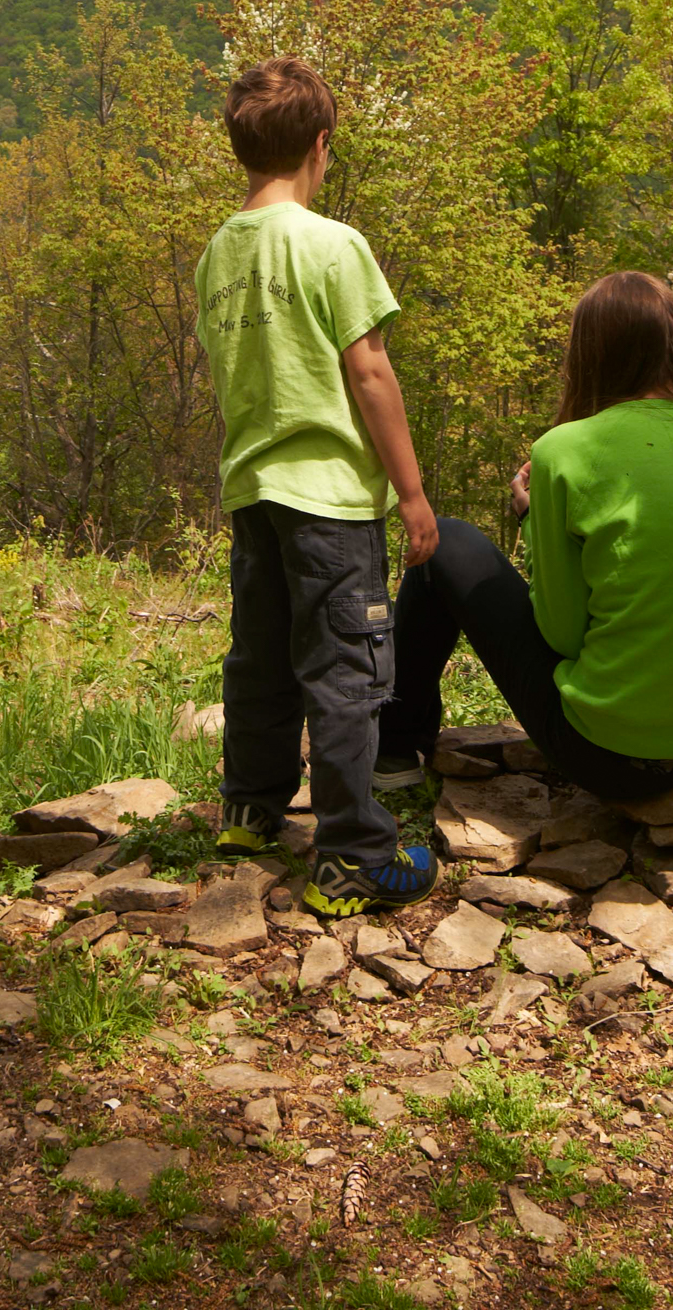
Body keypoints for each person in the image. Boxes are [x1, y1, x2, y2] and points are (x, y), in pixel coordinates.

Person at [376, 272, 673, 804]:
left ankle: (394, 749)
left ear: (588, 353)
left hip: (618, 757)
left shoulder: (565, 450)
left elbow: (563, 633)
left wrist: (533, 517)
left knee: (447, 544)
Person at [198, 54, 444, 916]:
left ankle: (250, 809)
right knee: (345, 670)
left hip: (253, 489)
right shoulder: (334, 245)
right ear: (321, 145)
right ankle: (352, 854)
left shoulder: (218, 254)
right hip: (331, 498)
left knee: (261, 656)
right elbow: (369, 373)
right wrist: (411, 494)